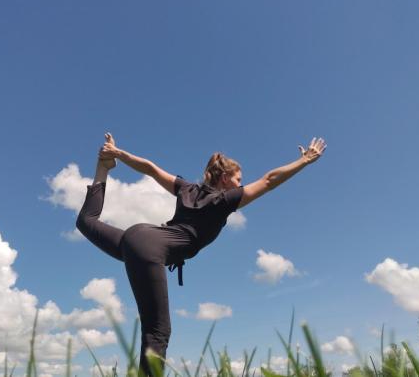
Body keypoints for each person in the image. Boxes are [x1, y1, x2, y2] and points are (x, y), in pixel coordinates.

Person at [76, 133, 327, 377]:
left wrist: (118, 154)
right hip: (150, 249)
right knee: (157, 332)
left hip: (134, 237)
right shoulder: (225, 200)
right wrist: (304, 161)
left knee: (86, 221)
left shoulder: (187, 188)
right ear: (225, 178)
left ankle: (103, 168)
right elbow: (269, 180)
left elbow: (151, 169)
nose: (241, 183)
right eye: (238, 178)